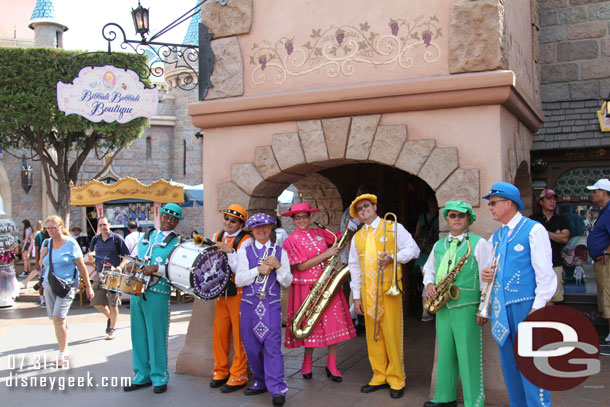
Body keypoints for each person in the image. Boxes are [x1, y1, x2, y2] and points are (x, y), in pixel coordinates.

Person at [481, 182, 556, 406]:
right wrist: (487, 274)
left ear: (509, 203)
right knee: (511, 369)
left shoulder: (533, 229)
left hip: (527, 307)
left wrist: (538, 307)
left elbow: (545, 272)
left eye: (493, 203)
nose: (490, 208)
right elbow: (493, 269)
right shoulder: (496, 236)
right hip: (502, 308)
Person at [347, 194, 420, 399]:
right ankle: (379, 375)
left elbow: (413, 249)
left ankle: (397, 378)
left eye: (366, 206)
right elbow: (354, 268)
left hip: (389, 291)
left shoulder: (393, 227)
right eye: (359, 209)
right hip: (368, 293)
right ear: (358, 215)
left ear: (375, 206)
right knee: (373, 336)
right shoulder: (357, 238)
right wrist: (357, 297)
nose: (363, 210)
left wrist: (393, 258)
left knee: (392, 334)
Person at [422, 201, 490, 407]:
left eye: (461, 216)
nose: (457, 219)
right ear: (447, 219)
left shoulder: (479, 243)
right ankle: (444, 397)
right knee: (445, 353)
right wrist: (430, 284)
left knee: (469, 356)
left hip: (467, 307)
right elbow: (429, 269)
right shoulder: (439, 245)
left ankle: (474, 402)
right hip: (443, 306)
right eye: (452, 216)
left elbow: (487, 279)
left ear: (469, 219)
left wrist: (483, 308)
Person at [282, 203, 356, 382]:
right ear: (292, 219)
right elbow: (300, 266)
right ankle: (307, 363)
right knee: (310, 327)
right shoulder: (290, 240)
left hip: (327, 284)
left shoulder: (319, 233)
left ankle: (332, 364)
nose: (301, 220)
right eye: (297, 217)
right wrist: (326, 254)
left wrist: (350, 228)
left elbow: (340, 240)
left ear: (309, 217)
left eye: (304, 216)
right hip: (305, 286)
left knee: (332, 325)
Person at [122, 203, 183, 394]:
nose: (168, 221)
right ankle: (141, 376)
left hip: (158, 292)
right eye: (166, 216)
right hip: (137, 290)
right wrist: (127, 266)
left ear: (177, 222)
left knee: (156, 335)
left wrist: (158, 269)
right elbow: (132, 257)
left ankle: (159, 377)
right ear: (160, 215)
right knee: (138, 335)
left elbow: (179, 270)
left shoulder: (178, 243)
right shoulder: (144, 236)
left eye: (173, 219)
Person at [235, 213, 292, 407]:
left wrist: (279, 267)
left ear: (271, 228)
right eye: (257, 227)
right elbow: (239, 280)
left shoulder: (279, 251)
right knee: (251, 347)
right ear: (251, 230)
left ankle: (277, 388)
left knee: (272, 347)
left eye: (265, 227)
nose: (261, 230)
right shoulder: (245, 251)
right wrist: (256, 271)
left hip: (271, 305)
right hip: (249, 305)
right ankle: (261, 381)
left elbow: (286, 281)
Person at [39, 215, 94, 366]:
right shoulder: (46, 243)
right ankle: (65, 343)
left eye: (53, 228)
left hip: (67, 285)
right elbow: (43, 265)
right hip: (49, 284)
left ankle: (62, 352)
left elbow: (81, 266)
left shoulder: (70, 243)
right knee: (57, 319)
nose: (50, 231)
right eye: (48, 228)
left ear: (61, 227)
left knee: (58, 318)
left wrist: (88, 286)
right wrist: (41, 256)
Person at [209, 204, 253, 393]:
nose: (228, 222)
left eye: (232, 220)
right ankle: (220, 370)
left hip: (239, 291)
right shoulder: (217, 236)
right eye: (226, 218)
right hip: (220, 291)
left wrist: (229, 251)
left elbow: (242, 269)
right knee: (219, 334)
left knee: (239, 336)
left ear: (241, 224)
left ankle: (239, 374)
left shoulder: (247, 240)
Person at [86, 216, 130, 340]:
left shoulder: (117, 239)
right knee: (97, 302)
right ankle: (111, 318)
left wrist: (120, 267)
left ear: (109, 225)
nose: (103, 227)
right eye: (100, 225)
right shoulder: (95, 239)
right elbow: (93, 254)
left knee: (113, 304)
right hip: (100, 274)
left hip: (113, 276)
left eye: (104, 224)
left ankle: (112, 329)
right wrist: (91, 255)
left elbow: (126, 256)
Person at [529, 188, 570, 303]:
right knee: (539, 299)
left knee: (555, 299)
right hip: (536, 266)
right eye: (548, 199)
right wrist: (556, 234)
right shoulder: (532, 220)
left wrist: (543, 233)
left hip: (555, 264)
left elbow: (565, 238)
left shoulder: (561, 219)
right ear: (541, 202)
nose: (552, 202)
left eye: (554, 199)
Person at [585, 179, 610, 354]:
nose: (592, 194)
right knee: (605, 297)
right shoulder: (604, 212)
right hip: (602, 261)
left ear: (604, 192)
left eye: (595, 191)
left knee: (608, 297)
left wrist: (607, 252)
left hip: (606, 261)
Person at [414, 197, 439, 322]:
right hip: (432, 253)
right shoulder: (438, 217)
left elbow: (417, 235)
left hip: (422, 254)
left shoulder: (422, 217)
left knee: (426, 281)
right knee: (428, 283)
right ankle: (426, 311)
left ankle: (426, 310)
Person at [22, 220, 44, 291]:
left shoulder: (35, 233)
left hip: (37, 253)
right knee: (38, 269)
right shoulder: (39, 234)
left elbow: (31, 243)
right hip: (40, 253)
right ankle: (26, 281)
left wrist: (28, 252)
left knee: (39, 270)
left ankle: (26, 281)